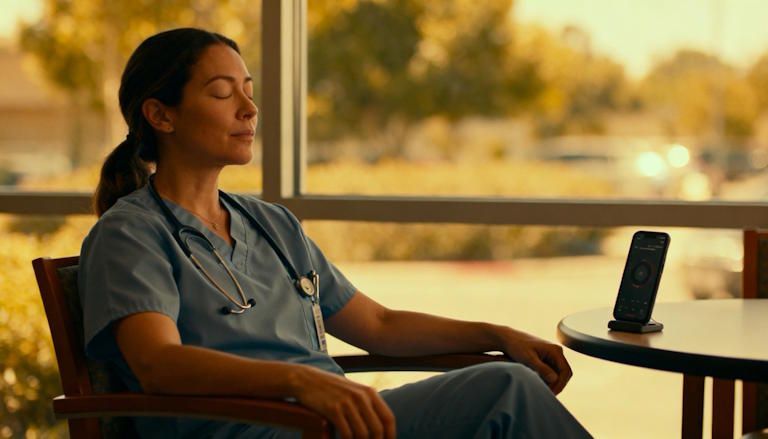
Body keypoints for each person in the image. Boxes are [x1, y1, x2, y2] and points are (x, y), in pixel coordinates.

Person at [79, 27, 591, 439]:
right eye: (221, 93)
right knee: (506, 391)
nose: (249, 109)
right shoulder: (130, 234)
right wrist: (302, 383)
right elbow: (159, 364)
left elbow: (381, 325)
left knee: (507, 384)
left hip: (332, 421)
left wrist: (496, 334)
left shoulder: (270, 224)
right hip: (262, 428)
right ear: (160, 115)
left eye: (249, 91)